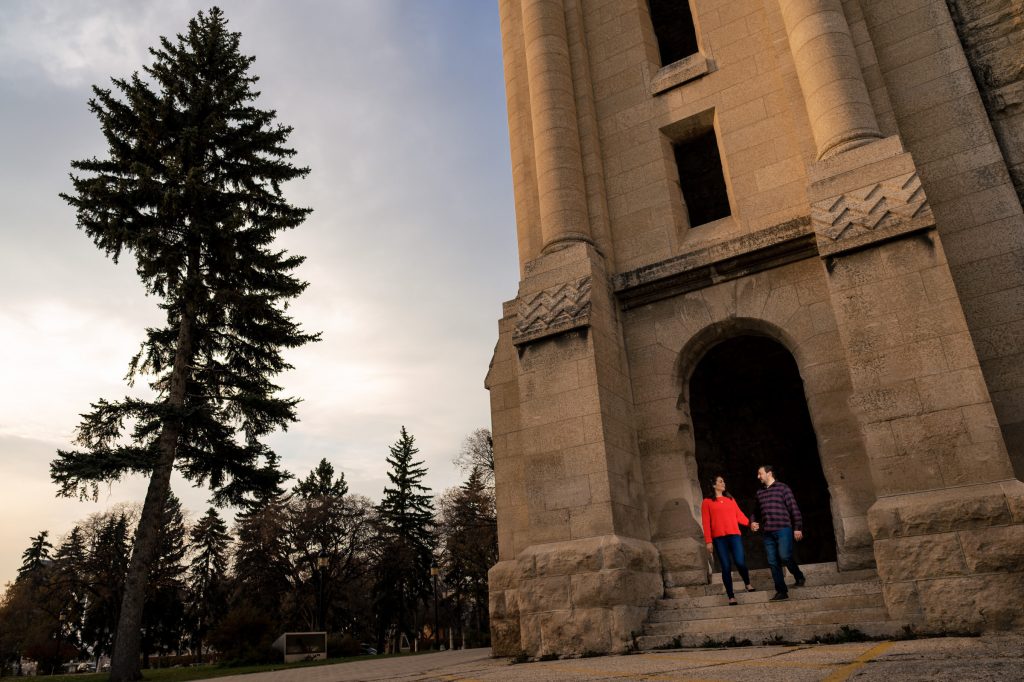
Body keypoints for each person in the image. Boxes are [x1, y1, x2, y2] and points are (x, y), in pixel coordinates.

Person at [750, 464, 806, 601]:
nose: (758, 477)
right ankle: (781, 591)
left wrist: (797, 527)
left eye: (760, 473)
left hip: (783, 529)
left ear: (769, 473)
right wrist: (752, 522)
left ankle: (798, 576)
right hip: (768, 532)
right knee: (773, 562)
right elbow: (755, 512)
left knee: (785, 556)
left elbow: (794, 508)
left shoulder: (783, 488)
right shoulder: (759, 492)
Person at [701, 475, 755, 605]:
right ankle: (731, 596)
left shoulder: (730, 499)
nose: (723, 483)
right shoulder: (707, 502)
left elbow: (739, 515)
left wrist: (750, 523)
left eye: (723, 481)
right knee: (725, 566)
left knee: (740, 562)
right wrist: (708, 541)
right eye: (720, 481)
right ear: (714, 485)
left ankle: (747, 583)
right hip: (719, 539)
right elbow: (706, 522)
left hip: (734, 535)